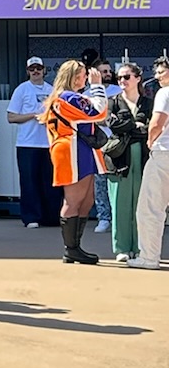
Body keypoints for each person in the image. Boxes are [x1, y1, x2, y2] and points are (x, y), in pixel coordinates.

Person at [42, 60, 109, 267]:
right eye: (83, 74)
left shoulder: (69, 97)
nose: (86, 77)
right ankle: (71, 249)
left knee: (87, 200)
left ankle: (75, 247)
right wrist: (97, 87)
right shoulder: (68, 97)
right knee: (74, 200)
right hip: (71, 151)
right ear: (73, 77)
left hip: (80, 150)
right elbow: (99, 112)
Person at [104, 63, 150, 263]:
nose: (122, 80)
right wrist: (135, 125)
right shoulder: (112, 102)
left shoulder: (149, 103)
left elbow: (151, 127)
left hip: (144, 158)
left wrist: (131, 127)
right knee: (120, 204)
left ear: (138, 78)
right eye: (119, 77)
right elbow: (113, 125)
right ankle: (121, 247)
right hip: (119, 158)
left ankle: (141, 247)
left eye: (127, 77)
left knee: (142, 204)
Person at [7, 56, 57, 229]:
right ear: (27, 71)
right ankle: (31, 217)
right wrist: (33, 116)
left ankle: (51, 217)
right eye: (32, 69)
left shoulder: (52, 90)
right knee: (29, 182)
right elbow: (11, 117)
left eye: (38, 68)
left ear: (44, 70)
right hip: (27, 143)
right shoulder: (22, 89)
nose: (36, 71)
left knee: (49, 182)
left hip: (48, 143)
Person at [130, 56, 169, 270]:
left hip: (164, 153)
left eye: (161, 72)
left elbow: (157, 123)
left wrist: (150, 140)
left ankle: (149, 257)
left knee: (150, 208)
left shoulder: (165, 93)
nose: (157, 76)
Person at [84, 60, 120, 238]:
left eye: (108, 71)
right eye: (103, 71)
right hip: (98, 143)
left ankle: (118, 218)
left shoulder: (119, 91)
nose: (107, 74)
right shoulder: (86, 94)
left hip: (118, 142)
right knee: (100, 183)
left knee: (117, 181)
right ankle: (103, 217)